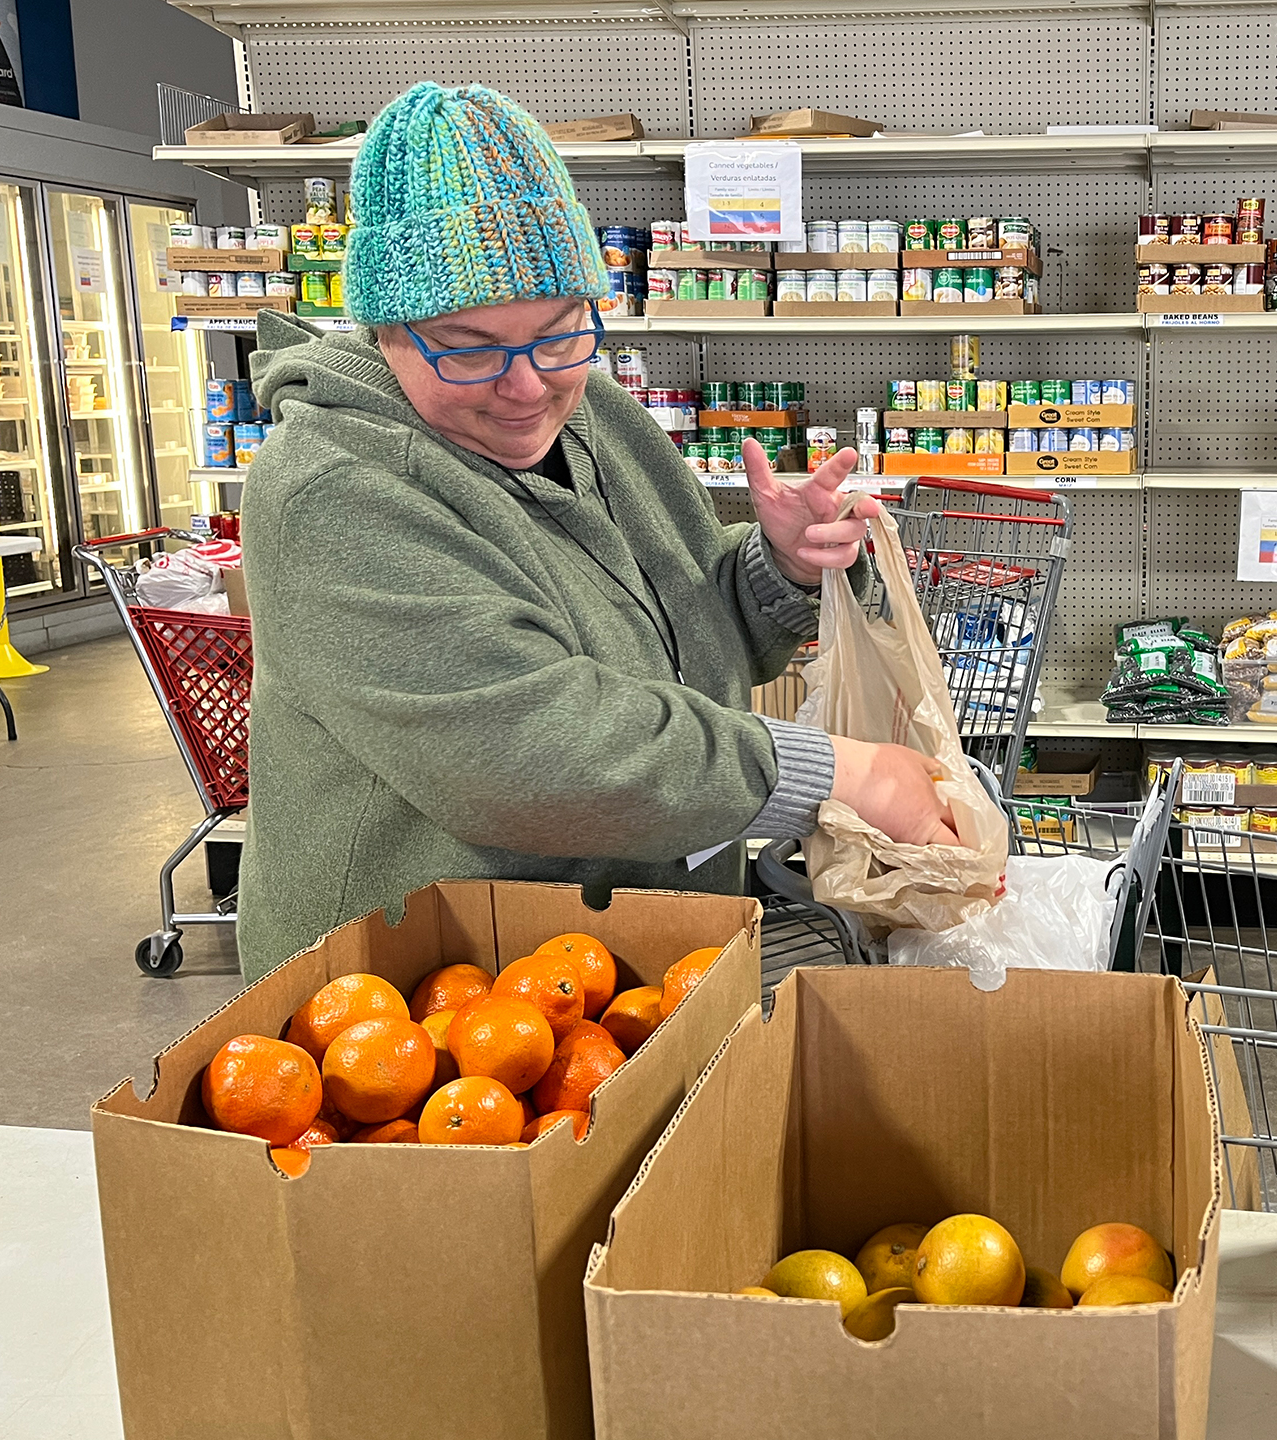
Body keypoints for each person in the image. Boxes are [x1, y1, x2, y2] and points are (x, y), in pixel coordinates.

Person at [235, 81, 953, 980]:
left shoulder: (594, 410)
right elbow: (528, 755)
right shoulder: (333, 491)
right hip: (418, 1004)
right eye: (469, 346)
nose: (528, 386)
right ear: (385, 331)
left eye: (561, 332)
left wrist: (779, 569)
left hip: (621, 960)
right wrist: (840, 775)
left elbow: (684, 626)